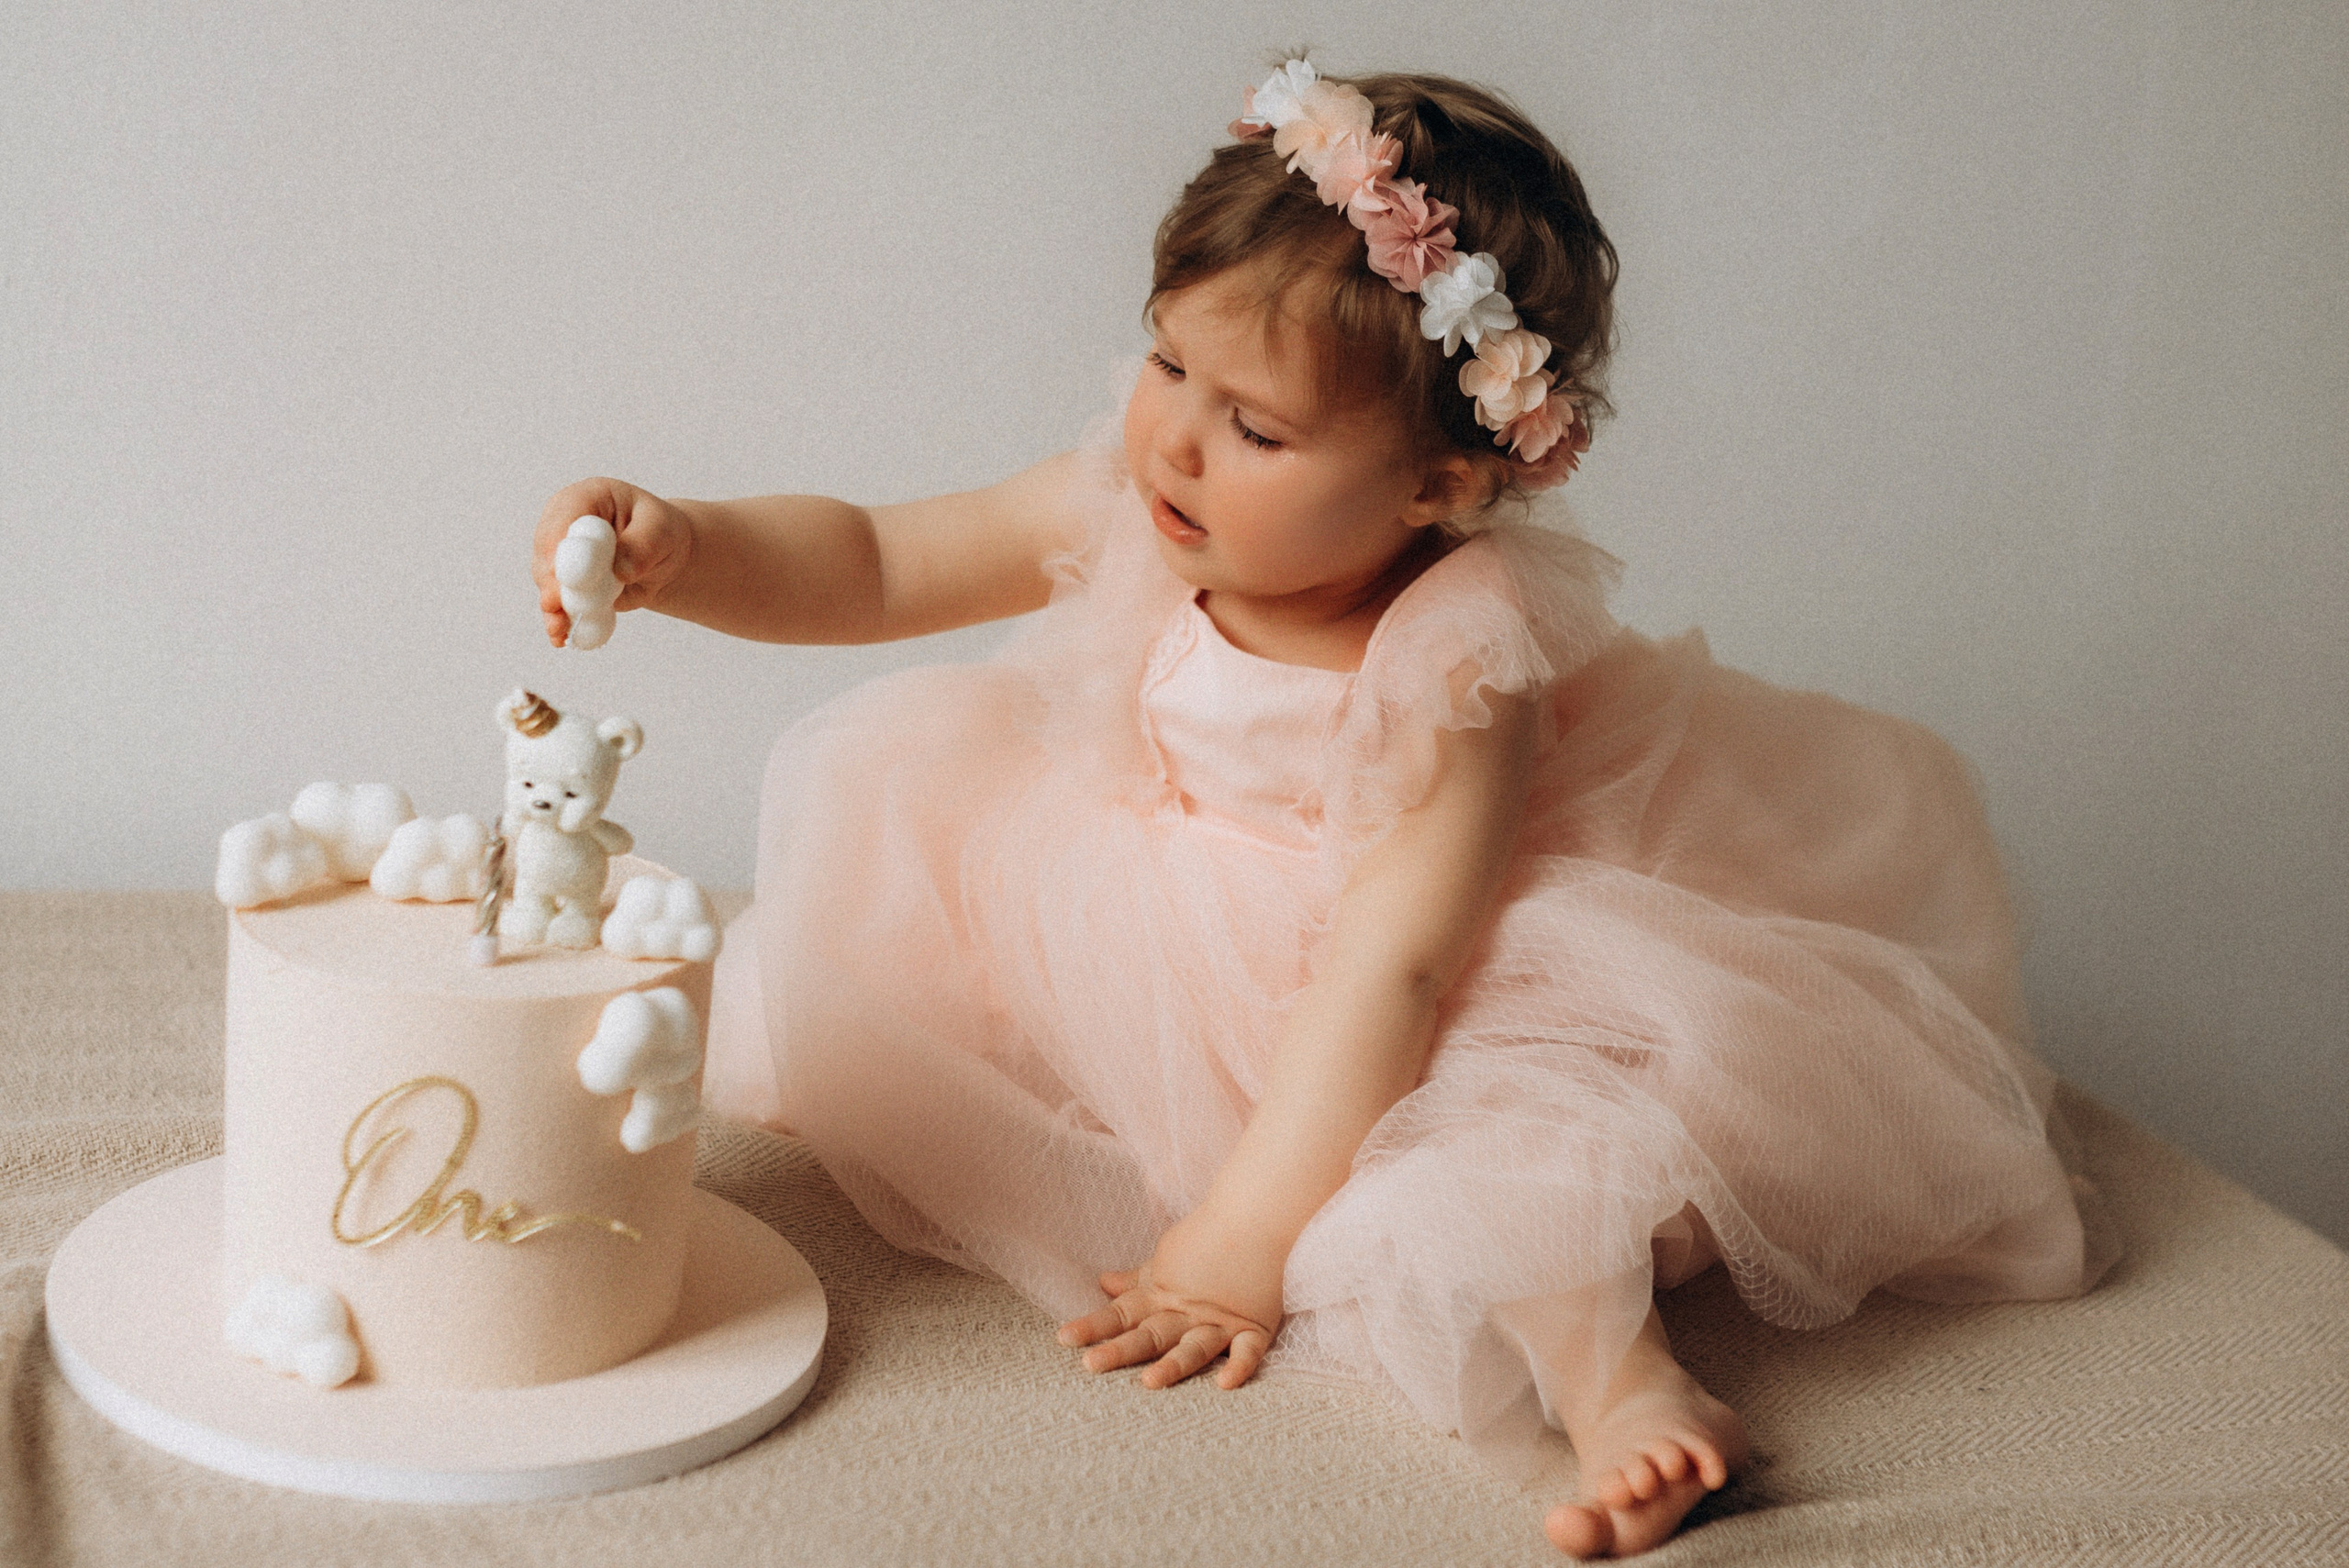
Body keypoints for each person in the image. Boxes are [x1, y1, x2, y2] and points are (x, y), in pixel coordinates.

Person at [530, 58, 2112, 1560]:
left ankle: (1625, 1392)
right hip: (1146, 905)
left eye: (1257, 429)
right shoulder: (1136, 491)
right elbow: (881, 559)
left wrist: (1242, 1237)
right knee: (895, 923)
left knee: (1501, 1163)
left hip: (1406, 974)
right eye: (1168, 362)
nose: (1176, 438)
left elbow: (1395, 970)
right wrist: (691, 547)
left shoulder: (1459, 657)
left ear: (1439, 484)